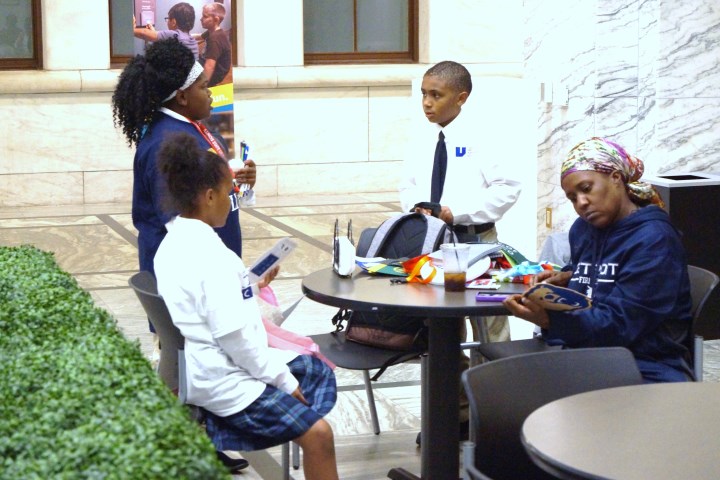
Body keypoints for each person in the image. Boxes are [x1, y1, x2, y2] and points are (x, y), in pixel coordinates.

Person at [153, 132, 339, 480]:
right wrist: (283, 381)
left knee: (314, 370)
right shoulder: (215, 258)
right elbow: (236, 339)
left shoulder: (170, 244)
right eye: (229, 192)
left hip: (201, 368)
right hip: (223, 381)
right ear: (209, 196)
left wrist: (249, 285)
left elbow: (202, 302)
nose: (231, 200)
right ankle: (287, 424)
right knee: (319, 436)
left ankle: (293, 418)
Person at [399, 60, 522, 444]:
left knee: (490, 330)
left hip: (476, 243)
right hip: (434, 245)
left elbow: (508, 188)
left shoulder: (484, 136)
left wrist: (459, 212)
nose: (427, 103)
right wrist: (416, 208)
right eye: (424, 94)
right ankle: (456, 415)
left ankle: (494, 417)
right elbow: (408, 184)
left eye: (436, 95)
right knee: (441, 330)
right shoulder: (423, 138)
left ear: (461, 97)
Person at [504, 137, 694, 383]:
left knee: (516, 389)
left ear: (616, 178)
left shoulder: (654, 240)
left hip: (645, 367)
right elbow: (601, 274)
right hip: (589, 354)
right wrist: (569, 277)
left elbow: (621, 325)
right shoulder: (583, 230)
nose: (581, 203)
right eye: (572, 198)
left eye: (586, 189)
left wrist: (548, 320)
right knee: (499, 383)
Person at [133, 2, 199, 60]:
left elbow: (143, 33)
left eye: (168, 18)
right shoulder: (192, 41)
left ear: (173, 22)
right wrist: (153, 33)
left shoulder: (175, 35)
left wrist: (132, 29)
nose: (167, 21)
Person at [196, 2, 232, 87]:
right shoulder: (212, 31)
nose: (201, 19)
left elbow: (209, 67)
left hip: (213, 74)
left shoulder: (215, 39)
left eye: (205, 16)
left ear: (216, 20)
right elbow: (199, 36)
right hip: (205, 61)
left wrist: (201, 86)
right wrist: (181, 36)